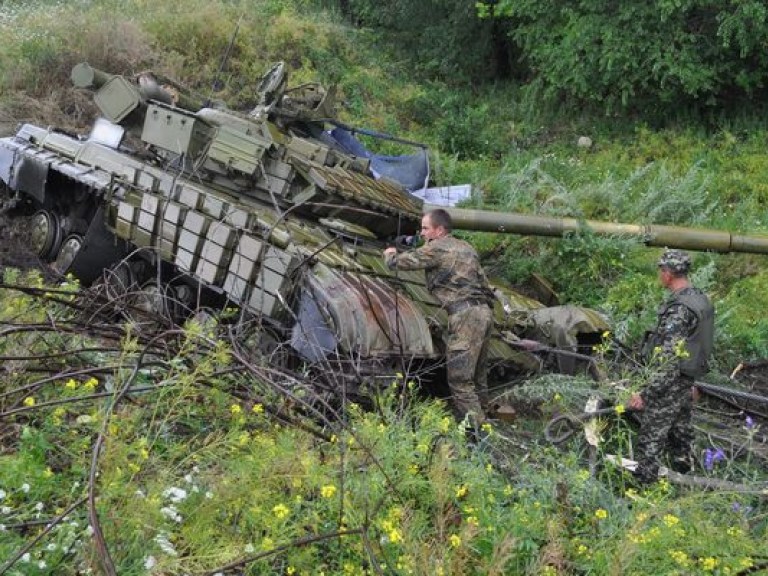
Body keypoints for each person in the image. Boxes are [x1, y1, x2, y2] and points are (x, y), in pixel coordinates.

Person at [383, 209, 495, 431]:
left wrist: (390, 253)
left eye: (426, 228)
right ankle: (488, 417)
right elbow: (484, 284)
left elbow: (398, 263)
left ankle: (481, 434)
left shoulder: (437, 248)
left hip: (464, 316)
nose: (422, 233)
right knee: (478, 376)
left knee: (460, 380)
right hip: (484, 313)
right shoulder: (467, 248)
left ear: (440, 230)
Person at [628, 249, 714, 483]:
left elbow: (669, 358)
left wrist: (646, 393)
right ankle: (687, 478)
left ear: (668, 274)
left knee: (651, 437)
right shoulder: (699, 299)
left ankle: (643, 488)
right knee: (681, 430)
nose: (659, 275)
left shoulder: (679, 309)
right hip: (688, 378)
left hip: (672, 381)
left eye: (660, 270)